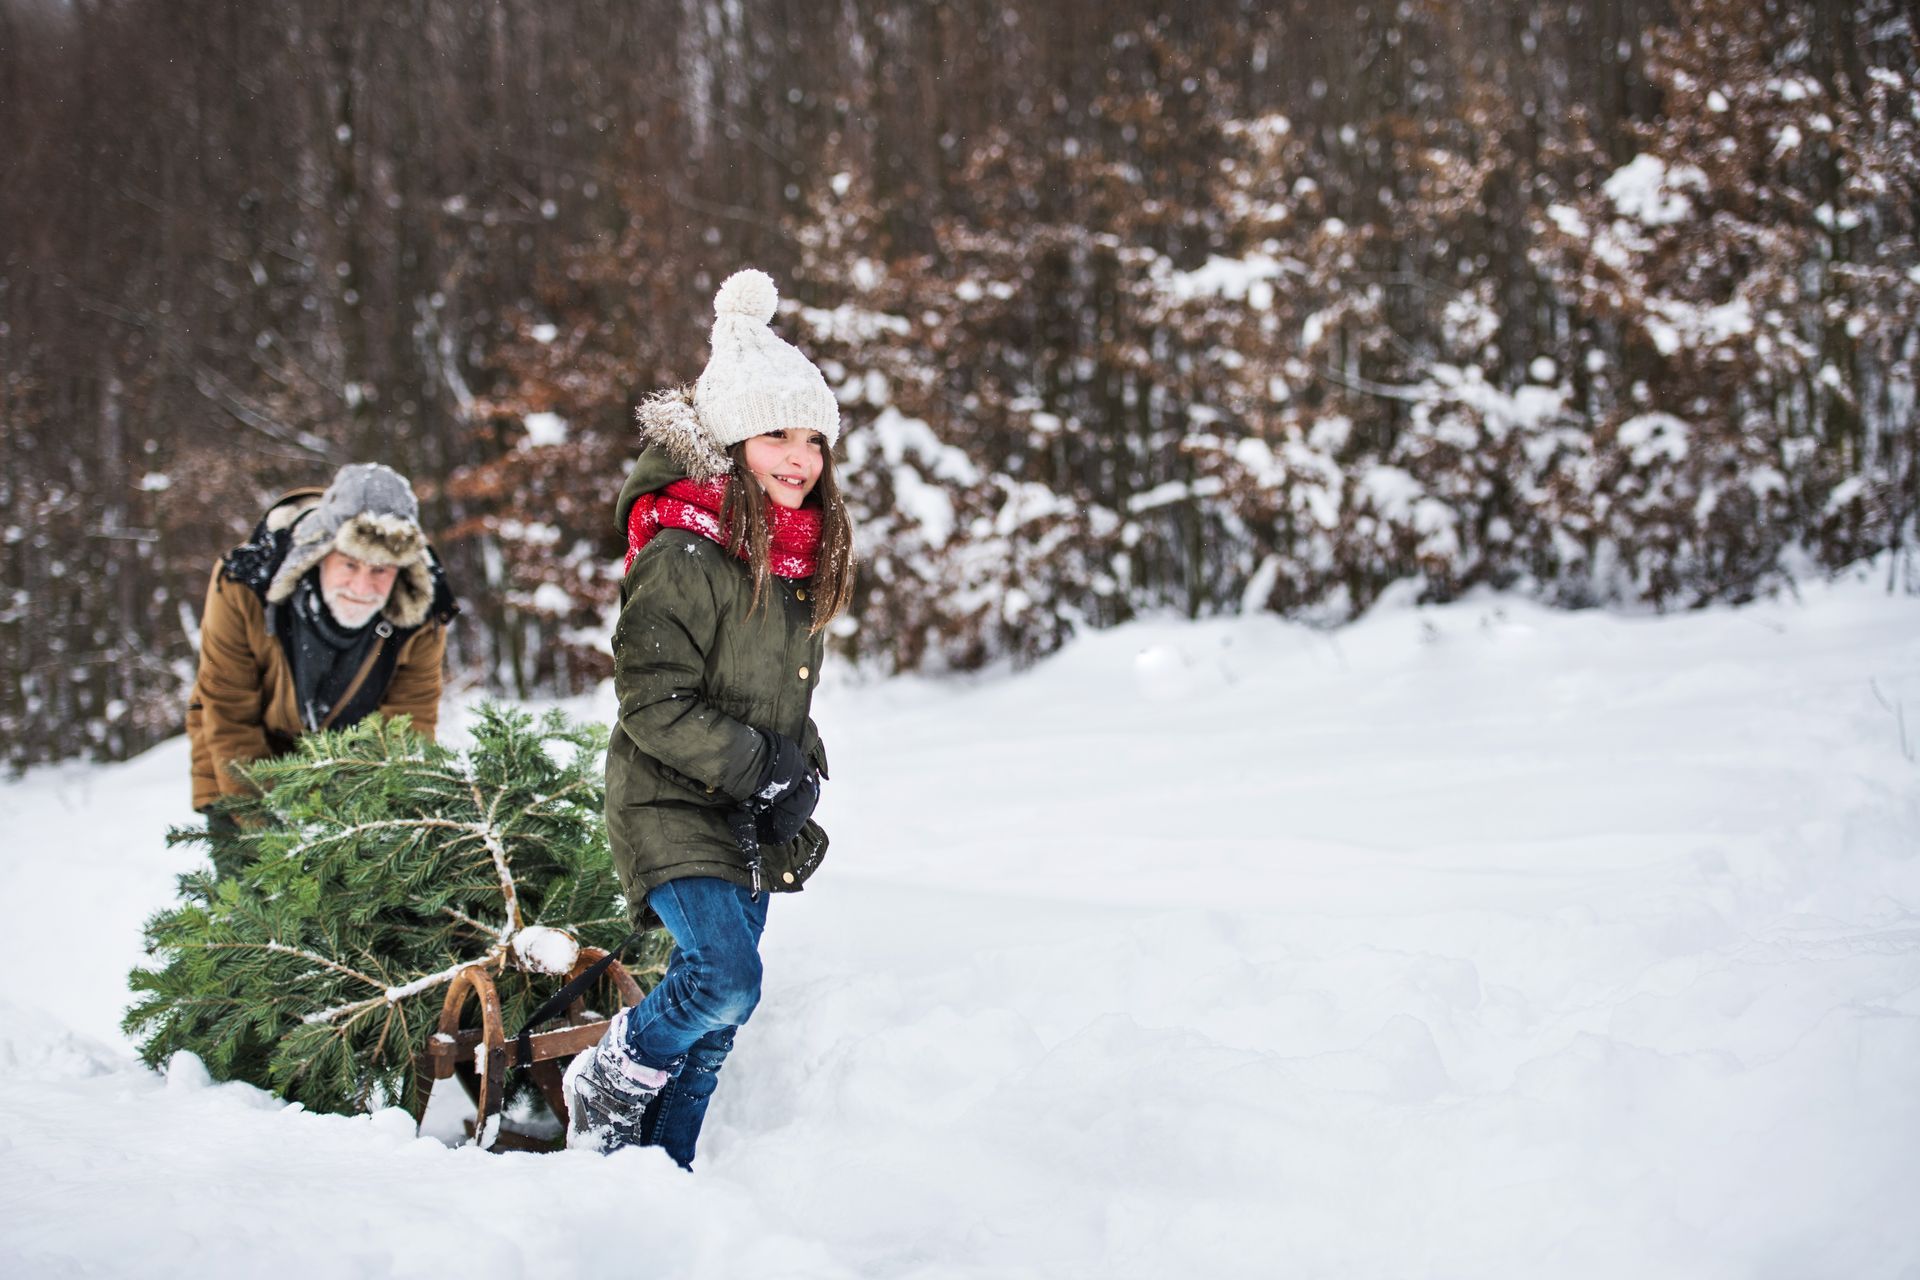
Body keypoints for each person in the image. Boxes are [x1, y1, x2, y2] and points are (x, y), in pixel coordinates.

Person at [563, 268, 856, 1166]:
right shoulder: (684, 553)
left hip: (746, 812)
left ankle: (661, 1177)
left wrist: (800, 772)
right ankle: (606, 1078)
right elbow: (653, 700)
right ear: (731, 441)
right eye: (776, 434)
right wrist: (757, 766)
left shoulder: (791, 561)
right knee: (723, 981)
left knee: (720, 1031)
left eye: (812, 438)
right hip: (668, 802)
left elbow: (779, 696)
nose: (799, 456)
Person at [186, 462, 456, 873]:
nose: (363, 588)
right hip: (245, 755)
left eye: (380, 570)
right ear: (320, 552)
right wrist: (273, 836)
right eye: (350, 564)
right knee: (256, 906)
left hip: (351, 766)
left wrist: (373, 825)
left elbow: (408, 725)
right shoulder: (244, 585)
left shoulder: (421, 611)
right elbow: (229, 715)